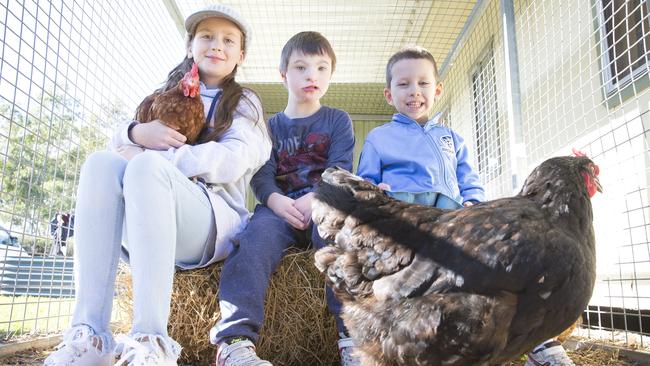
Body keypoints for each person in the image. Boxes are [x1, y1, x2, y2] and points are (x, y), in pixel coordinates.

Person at [44, 4, 271, 366]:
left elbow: (231, 160)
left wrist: (154, 158)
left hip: (210, 222)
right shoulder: (166, 91)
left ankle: (151, 342)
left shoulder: (245, 102)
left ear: (240, 55)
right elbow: (116, 145)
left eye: (228, 40)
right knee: (99, 163)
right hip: (148, 215)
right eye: (206, 36)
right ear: (190, 46)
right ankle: (91, 337)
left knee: (145, 166)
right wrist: (136, 132)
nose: (217, 45)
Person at [358, 45, 575, 366]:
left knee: (508, 270)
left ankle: (539, 342)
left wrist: (475, 204)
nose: (414, 92)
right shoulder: (379, 137)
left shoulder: (451, 138)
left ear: (438, 89)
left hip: (456, 221)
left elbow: (469, 181)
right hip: (409, 223)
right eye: (403, 85)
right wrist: (377, 191)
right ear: (389, 95)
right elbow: (365, 183)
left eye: (423, 83)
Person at [210, 31, 358, 366]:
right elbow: (261, 176)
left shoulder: (337, 120)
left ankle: (353, 338)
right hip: (278, 210)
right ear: (283, 75)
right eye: (302, 67)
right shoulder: (269, 126)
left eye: (322, 68)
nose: (312, 75)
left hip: (324, 207)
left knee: (344, 247)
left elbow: (340, 169)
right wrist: (277, 202)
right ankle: (234, 342)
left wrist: (315, 199)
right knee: (250, 244)